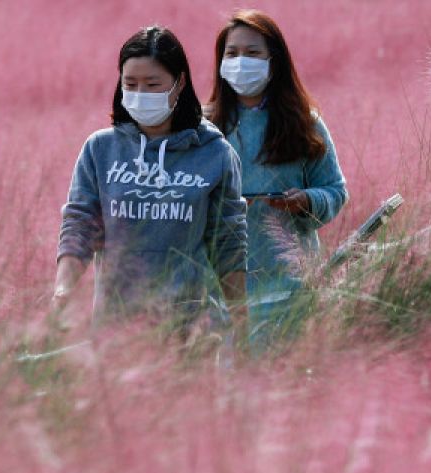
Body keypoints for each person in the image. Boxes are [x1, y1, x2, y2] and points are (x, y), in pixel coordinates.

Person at [53, 25, 247, 347]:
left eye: (153, 85)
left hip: (189, 331)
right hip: (115, 330)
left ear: (180, 83)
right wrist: (63, 288)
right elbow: (79, 225)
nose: (140, 94)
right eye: (131, 84)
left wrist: (241, 320)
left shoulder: (215, 153)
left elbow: (228, 243)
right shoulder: (100, 149)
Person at [207, 9, 348, 347]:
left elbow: (335, 190)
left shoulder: (304, 124)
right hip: (219, 288)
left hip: (288, 285)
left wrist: (306, 201)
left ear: (275, 60)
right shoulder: (205, 126)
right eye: (232, 53)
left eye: (253, 53)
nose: (242, 62)